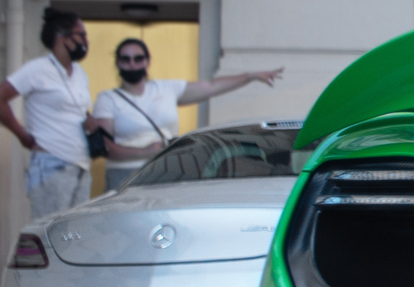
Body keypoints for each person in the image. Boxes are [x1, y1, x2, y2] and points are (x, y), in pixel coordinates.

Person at [90, 38, 282, 191]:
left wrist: (251, 76)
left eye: (137, 58)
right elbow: (105, 148)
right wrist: (145, 151)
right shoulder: (108, 99)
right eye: (125, 59)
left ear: (147, 61)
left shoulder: (165, 88)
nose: (132, 64)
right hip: (125, 174)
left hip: (165, 169)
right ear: (117, 62)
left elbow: (210, 87)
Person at [0, 9, 98, 218]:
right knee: (51, 233)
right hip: (52, 164)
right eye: (81, 34)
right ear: (62, 37)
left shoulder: (79, 72)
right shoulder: (37, 69)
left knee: (75, 234)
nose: (85, 41)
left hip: (81, 163)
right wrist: (22, 135)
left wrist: (88, 120)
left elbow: (76, 108)